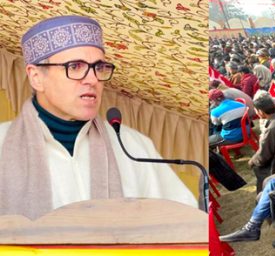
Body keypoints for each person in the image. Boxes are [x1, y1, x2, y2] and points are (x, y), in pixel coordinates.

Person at [0, 16, 197, 219]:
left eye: (99, 67)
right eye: (75, 66)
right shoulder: (3, 145)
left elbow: (182, 221)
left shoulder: (133, 146)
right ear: (37, 77)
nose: (93, 79)